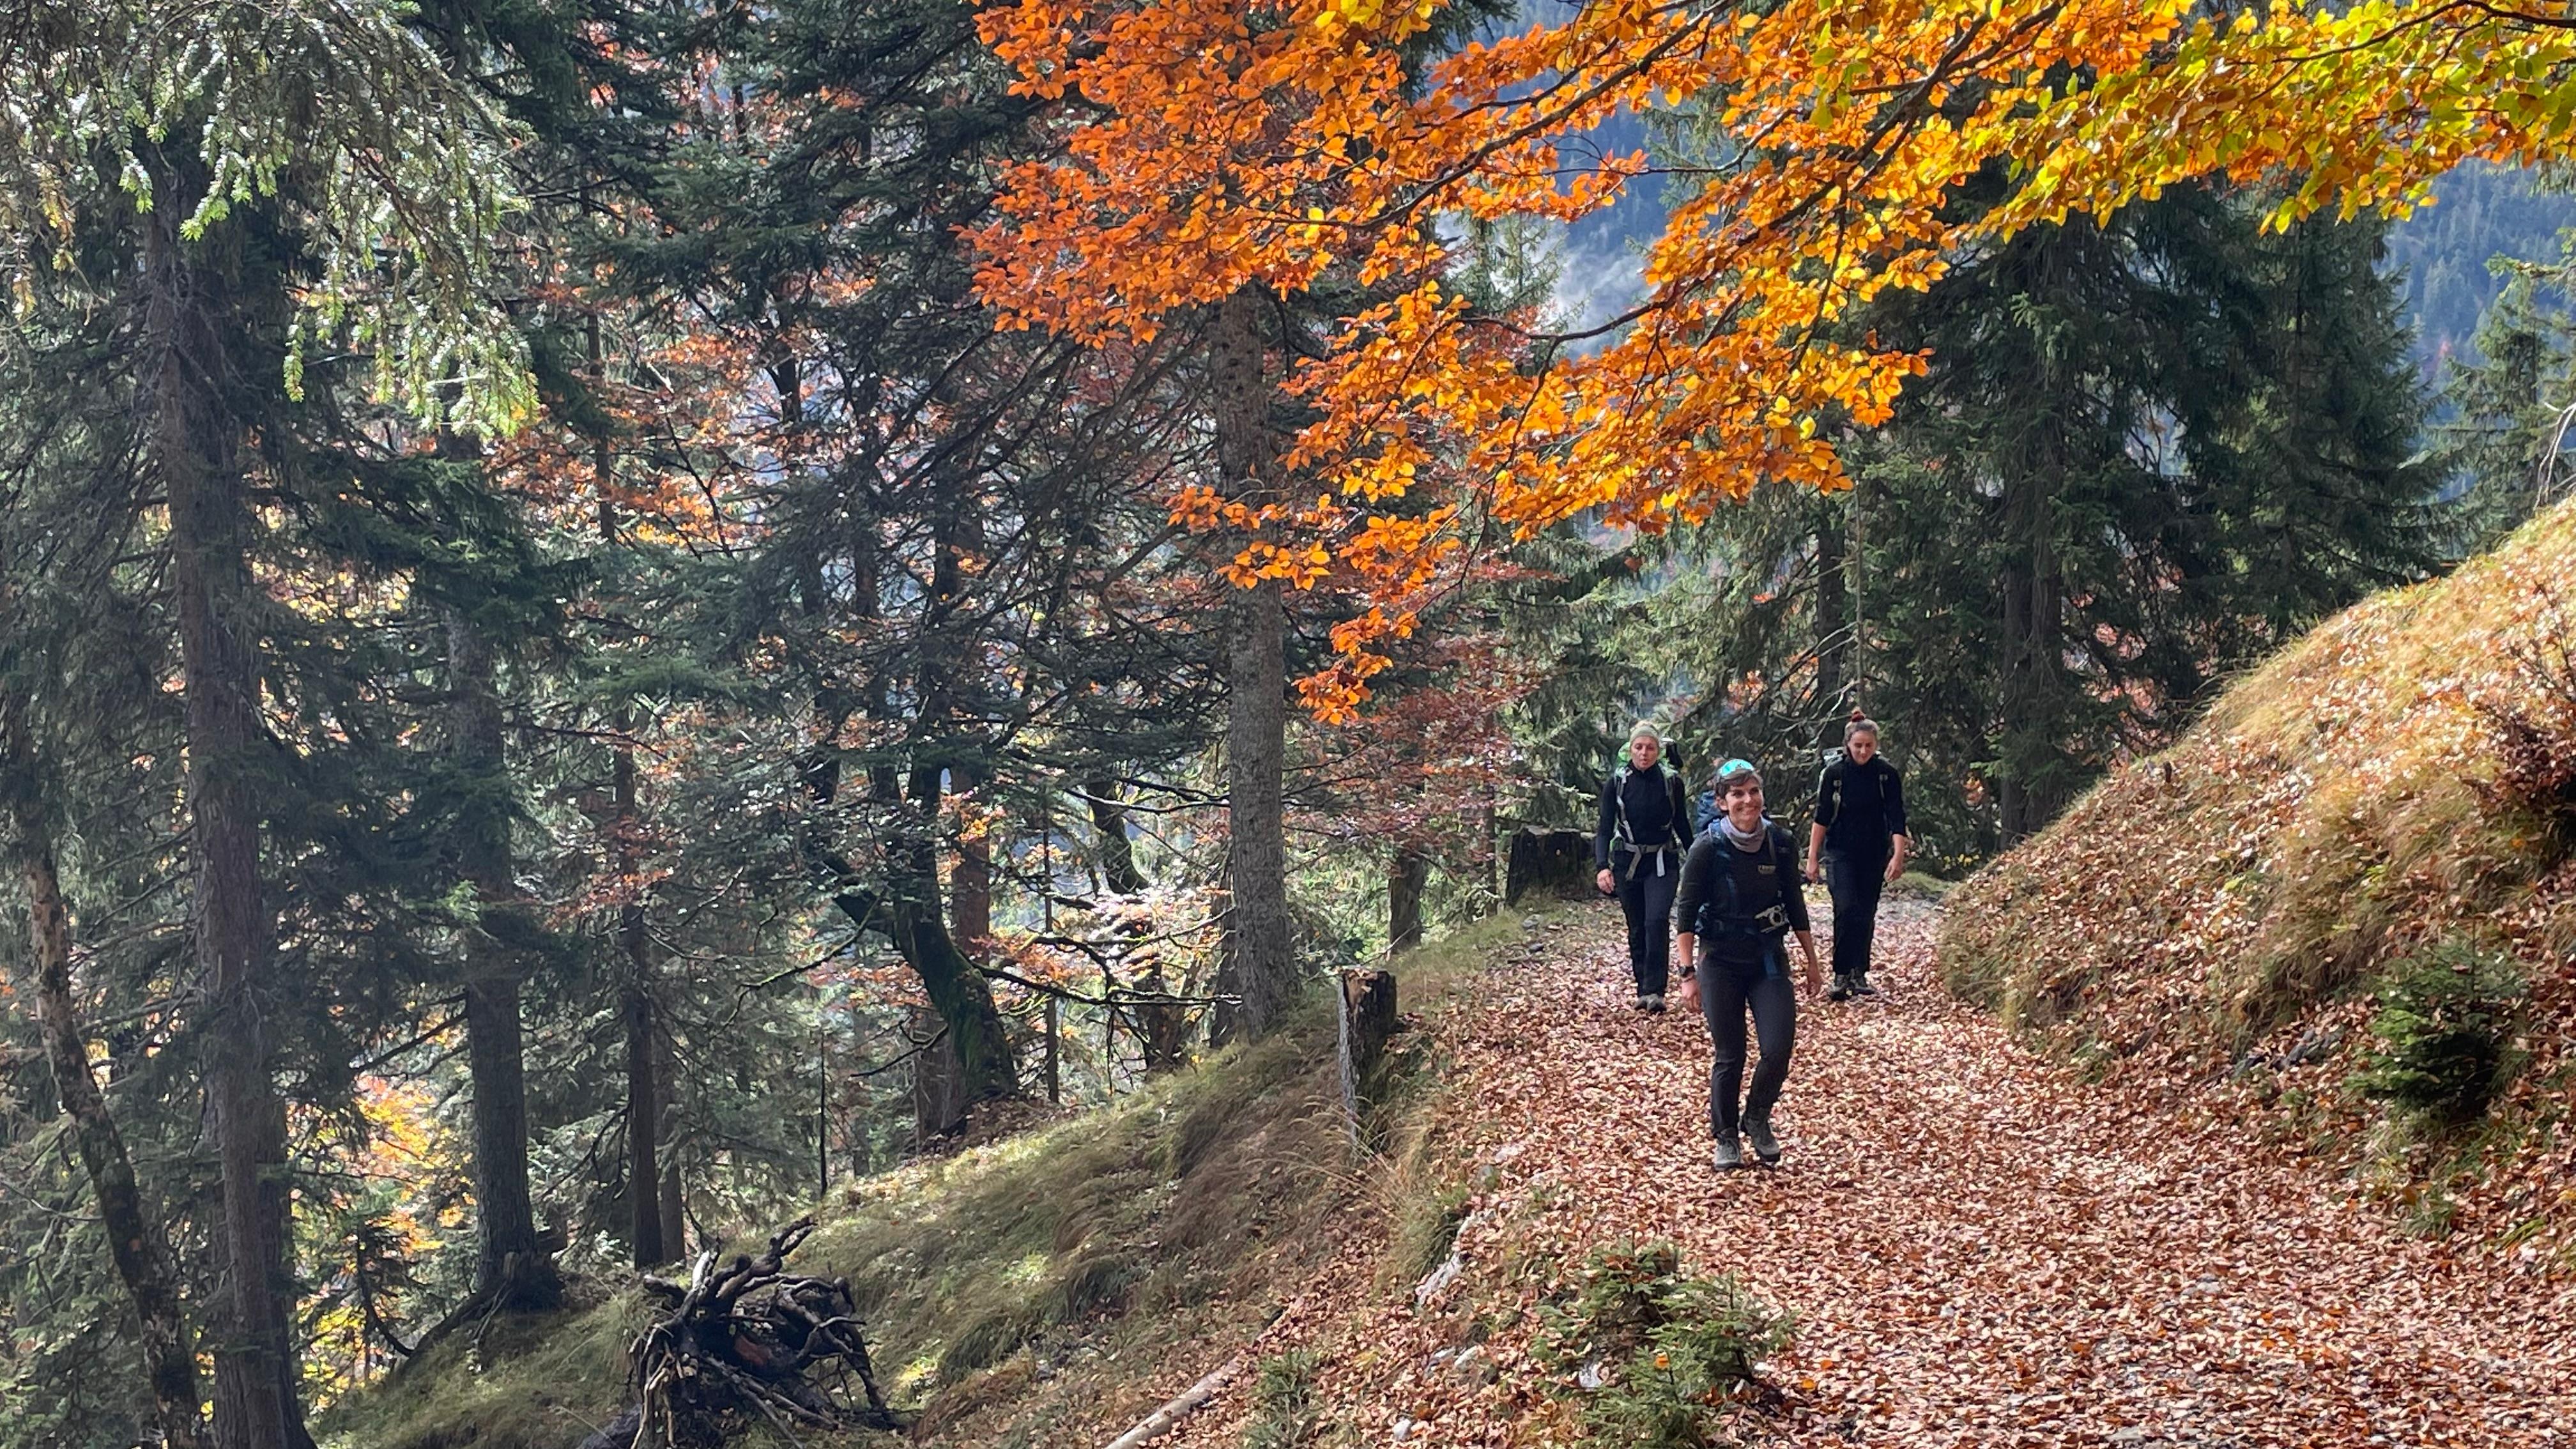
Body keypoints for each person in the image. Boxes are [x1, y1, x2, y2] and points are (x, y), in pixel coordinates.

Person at [1675, 759, 1822, 1170]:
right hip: (1719, 960)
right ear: (1723, 803)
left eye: (1753, 792)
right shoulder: (1706, 848)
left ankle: (1757, 1116)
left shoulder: (1780, 841)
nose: (1748, 801)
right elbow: (1685, 913)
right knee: (1731, 1053)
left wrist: (1812, 961)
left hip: (1767, 958)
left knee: (1777, 1049)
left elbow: (1795, 902)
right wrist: (1687, 975)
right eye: (1737, 794)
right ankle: (1725, 1136)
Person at [1805, 711, 1910, 1000]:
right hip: (1840, 852)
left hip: (1874, 852)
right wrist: (1812, 857)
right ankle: (1840, 973)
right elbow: (1821, 816)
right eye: (1858, 745)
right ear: (1848, 745)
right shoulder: (1835, 774)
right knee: (1846, 907)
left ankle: (1859, 972)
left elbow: (1896, 816)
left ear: (1875, 745)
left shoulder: (1886, 774)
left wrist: (1897, 855)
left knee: (1865, 912)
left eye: (1868, 746)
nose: (1863, 751)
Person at [1595, 722, 1689, 1012]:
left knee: (1656, 921)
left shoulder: (1671, 782)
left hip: (1662, 861)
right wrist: (1602, 866)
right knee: (1637, 926)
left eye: (1650, 748)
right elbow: (1604, 827)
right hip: (1627, 863)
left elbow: (1682, 824)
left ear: (1658, 751)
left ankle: (1655, 991)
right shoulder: (1617, 783)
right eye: (1639, 747)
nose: (1644, 753)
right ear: (1630, 750)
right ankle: (1642, 988)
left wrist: (1699, 857)